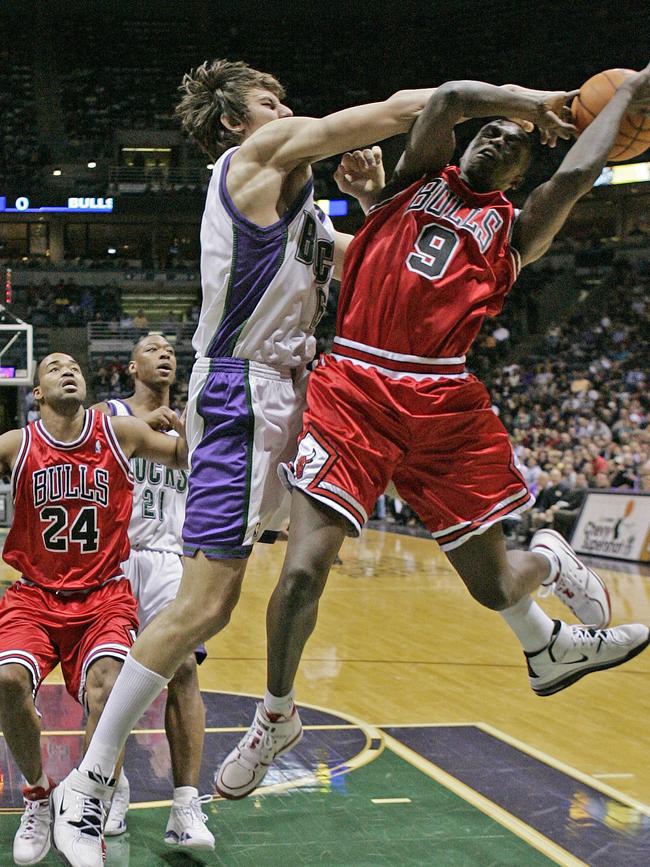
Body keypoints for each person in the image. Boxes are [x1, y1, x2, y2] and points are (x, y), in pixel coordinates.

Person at [50, 59, 578, 867]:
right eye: (272, 101)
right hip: (240, 391)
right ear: (236, 122)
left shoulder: (299, 203)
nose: (288, 108)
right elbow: (414, 105)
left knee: (276, 579)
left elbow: (382, 252)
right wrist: (538, 101)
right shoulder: (256, 159)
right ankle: (88, 784)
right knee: (203, 605)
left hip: (296, 393)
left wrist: (373, 199)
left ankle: (536, 610)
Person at [212, 67, 650, 799]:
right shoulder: (417, 179)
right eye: (488, 133)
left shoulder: (516, 228)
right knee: (301, 571)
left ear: (522, 169)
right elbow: (446, 100)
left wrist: (631, 94)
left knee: (497, 585)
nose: (493, 142)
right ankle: (275, 714)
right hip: (353, 385)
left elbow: (580, 171)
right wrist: (530, 103)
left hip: (442, 400)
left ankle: (547, 556)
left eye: (510, 144)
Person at [0, 353, 186, 866]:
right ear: (37, 393)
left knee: (109, 688)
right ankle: (38, 797)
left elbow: (184, 458)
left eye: (74, 366)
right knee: (8, 682)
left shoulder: (120, 434)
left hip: (103, 594)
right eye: (54, 366)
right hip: (34, 595)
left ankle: (85, 805)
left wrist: (208, 416)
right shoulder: (19, 446)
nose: (67, 369)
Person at [95, 333, 214, 850]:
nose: (164, 353)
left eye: (170, 349)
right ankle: (111, 790)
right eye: (151, 347)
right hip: (116, 556)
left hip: (172, 557)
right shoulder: (109, 411)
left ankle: (186, 807)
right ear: (131, 365)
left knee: (183, 671)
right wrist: (141, 428)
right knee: (112, 676)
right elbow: (78, 444)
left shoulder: (197, 421)